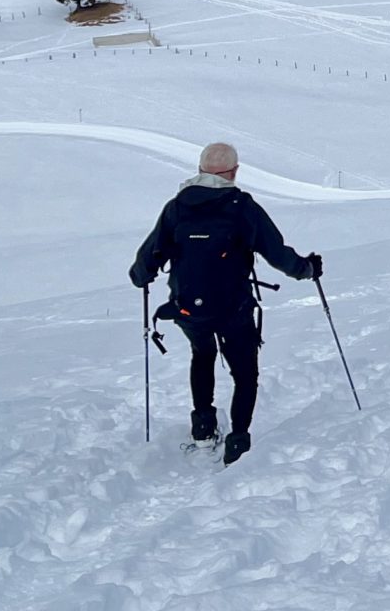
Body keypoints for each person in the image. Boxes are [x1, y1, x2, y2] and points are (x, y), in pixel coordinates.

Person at [129, 141, 319, 466]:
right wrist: (308, 269)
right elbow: (276, 253)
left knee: (202, 355)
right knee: (245, 374)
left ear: (200, 170)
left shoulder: (177, 208)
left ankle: (203, 430)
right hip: (234, 308)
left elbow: (147, 260)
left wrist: (140, 276)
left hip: (188, 308)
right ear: (233, 172)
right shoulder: (242, 207)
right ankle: (238, 440)